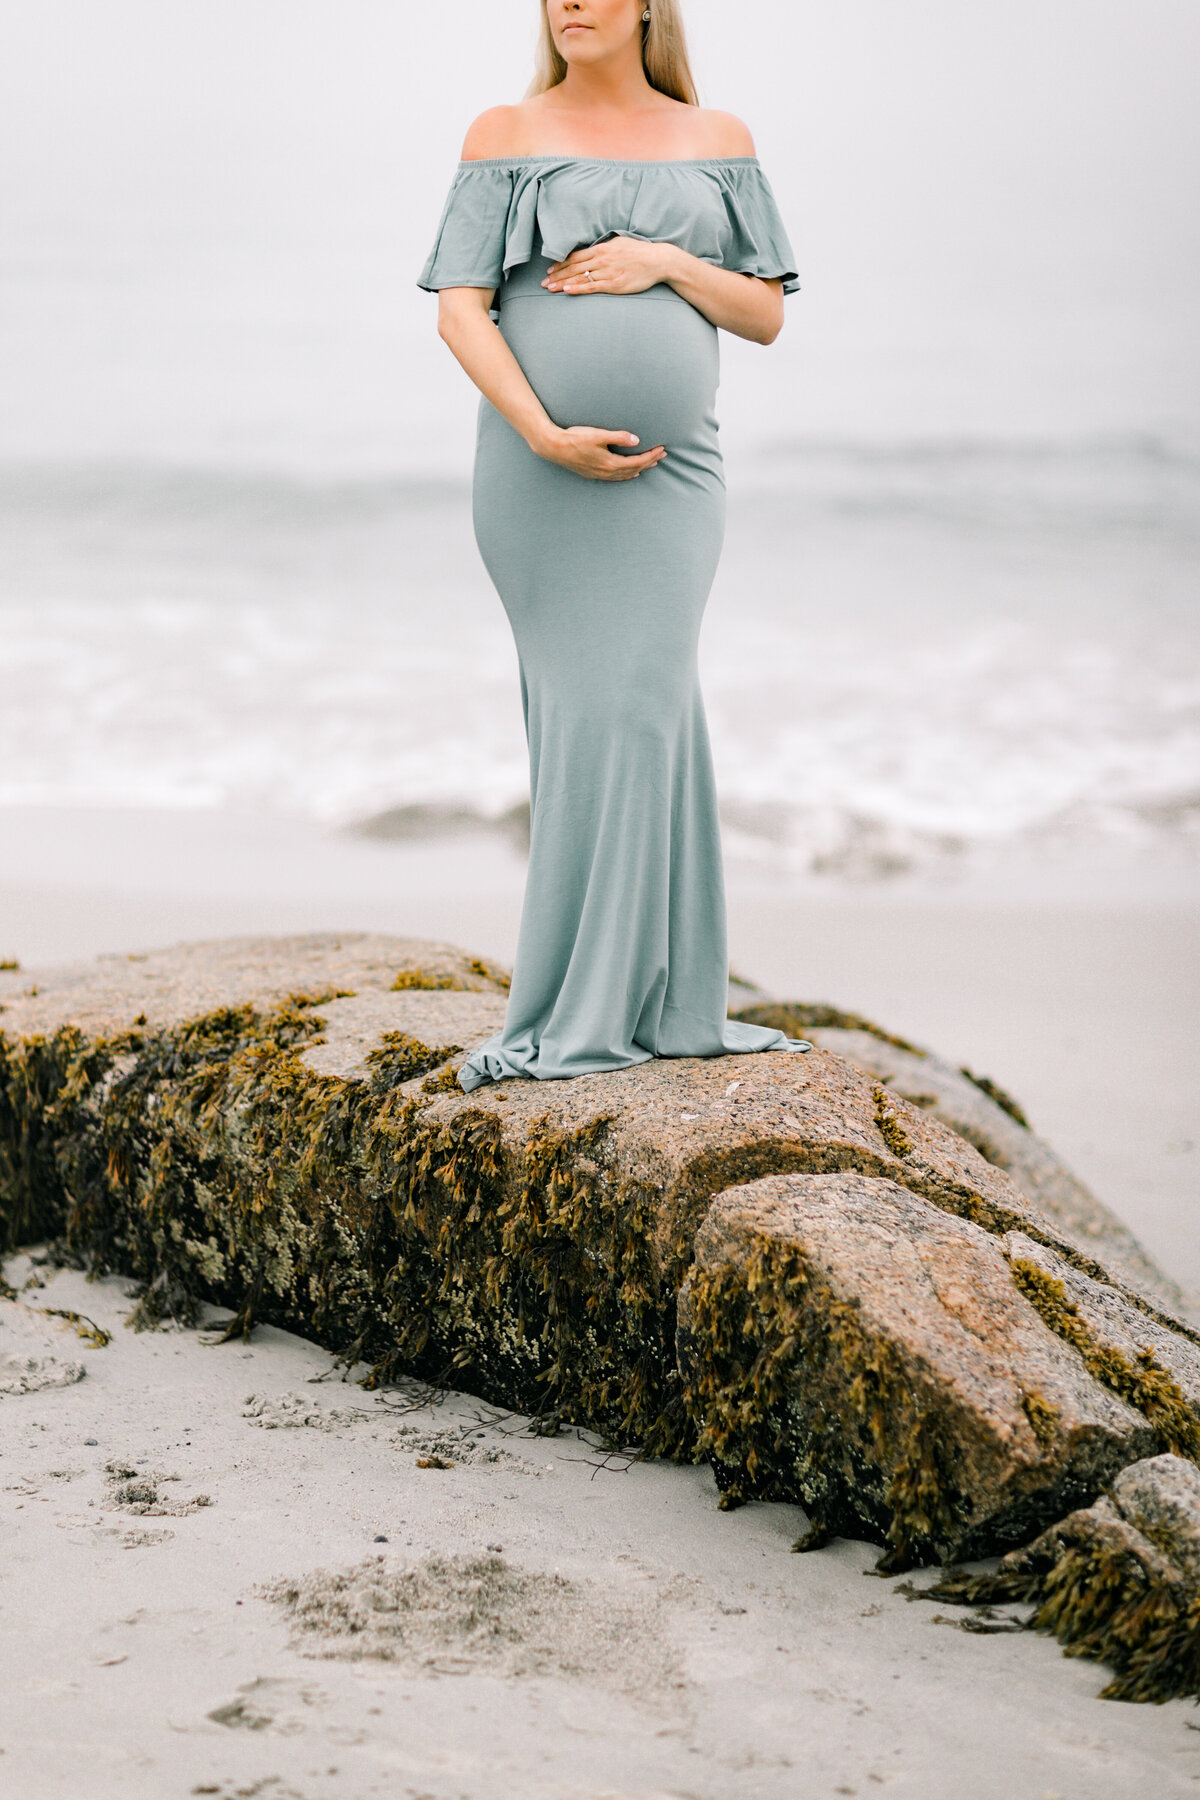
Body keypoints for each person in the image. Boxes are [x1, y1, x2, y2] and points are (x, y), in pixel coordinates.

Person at [419, 0, 811, 1090]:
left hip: (675, 485)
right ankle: (585, 1005)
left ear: (648, 5)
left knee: (647, 712)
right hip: (537, 479)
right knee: (590, 721)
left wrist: (663, 262)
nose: (570, 2)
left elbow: (766, 313)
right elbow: (460, 310)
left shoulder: (716, 139)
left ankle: (653, 1000)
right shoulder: (502, 133)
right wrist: (542, 432)